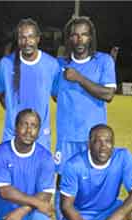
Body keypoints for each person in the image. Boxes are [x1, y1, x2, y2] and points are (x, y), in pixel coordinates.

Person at [54, 16, 117, 167]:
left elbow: (108, 95)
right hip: (66, 136)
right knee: (63, 181)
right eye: (75, 35)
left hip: (94, 137)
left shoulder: (103, 61)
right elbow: (55, 95)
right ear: (69, 38)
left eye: (84, 35)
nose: (79, 39)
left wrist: (79, 78)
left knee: (91, 179)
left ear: (90, 37)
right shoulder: (59, 65)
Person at [0, 18, 60, 149]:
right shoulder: (6, 64)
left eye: (30, 37)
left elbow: (58, 96)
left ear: (38, 38)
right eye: (22, 37)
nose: (27, 42)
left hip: (40, 136)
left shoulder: (51, 64)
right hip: (12, 134)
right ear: (18, 40)